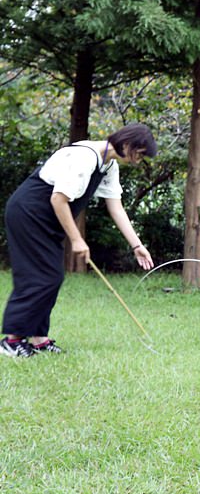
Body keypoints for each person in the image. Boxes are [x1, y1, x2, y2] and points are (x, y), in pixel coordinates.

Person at [2, 123, 157, 357]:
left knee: (51, 276)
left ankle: (39, 340)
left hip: (47, 220)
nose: (138, 160)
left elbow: (115, 207)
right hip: (29, 213)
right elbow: (58, 199)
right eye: (139, 154)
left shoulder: (109, 165)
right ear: (126, 144)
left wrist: (137, 246)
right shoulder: (85, 157)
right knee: (40, 277)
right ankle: (11, 340)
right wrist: (77, 240)